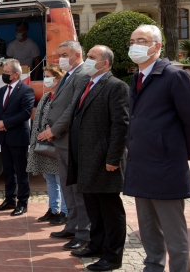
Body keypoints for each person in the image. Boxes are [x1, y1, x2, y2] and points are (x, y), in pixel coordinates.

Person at [124, 25, 190, 272]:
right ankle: (153, 266)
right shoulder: (136, 78)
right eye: (132, 41)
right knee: (147, 228)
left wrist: (179, 153)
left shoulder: (173, 76)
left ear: (156, 46)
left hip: (166, 167)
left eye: (142, 40)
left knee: (173, 232)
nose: (135, 45)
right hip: (141, 165)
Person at [66, 46, 129, 271]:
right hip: (85, 158)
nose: (88, 61)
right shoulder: (86, 84)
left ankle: (113, 256)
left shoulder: (116, 86)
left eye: (92, 58)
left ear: (105, 63)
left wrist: (112, 158)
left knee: (110, 210)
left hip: (104, 161)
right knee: (94, 208)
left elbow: (120, 125)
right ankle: (96, 244)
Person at [38, 40, 91, 250]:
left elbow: (72, 108)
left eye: (64, 54)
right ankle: (72, 225)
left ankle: (84, 231)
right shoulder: (70, 75)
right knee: (67, 187)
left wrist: (53, 130)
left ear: (77, 54)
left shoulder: (82, 74)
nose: (60, 59)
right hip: (61, 141)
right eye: (59, 54)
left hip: (70, 139)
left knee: (77, 189)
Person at [0, 59, 35, 216]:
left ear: (16, 74)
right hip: (4, 137)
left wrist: (5, 123)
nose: (3, 75)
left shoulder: (26, 90)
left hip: (18, 138)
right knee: (8, 171)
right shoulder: (3, 90)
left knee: (21, 172)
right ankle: (10, 199)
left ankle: (23, 203)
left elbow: (25, 113)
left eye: (6, 72)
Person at [27, 65, 68, 225]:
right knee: (50, 179)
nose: (46, 79)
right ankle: (53, 209)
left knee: (61, 179)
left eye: (49, 76)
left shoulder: (63, 97)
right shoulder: (45, 97)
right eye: (45, 76)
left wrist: (50, 132)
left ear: (58, 79)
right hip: (43, 144)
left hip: (57, 144)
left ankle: (65, 212)